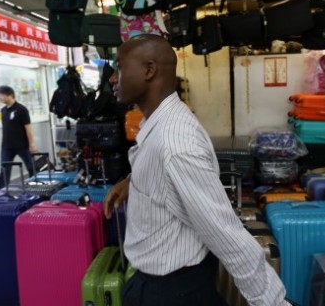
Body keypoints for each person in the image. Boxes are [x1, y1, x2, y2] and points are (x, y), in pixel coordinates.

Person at [103, 34, 290, 306]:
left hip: (171, 294)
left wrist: (272, 303)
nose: (112, 78)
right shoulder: (161, 126)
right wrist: (132, 181)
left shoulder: (175, 144)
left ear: (149, 70)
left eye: (119, 67)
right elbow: (165, 176)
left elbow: (226, 234)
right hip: (160, 284)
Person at [0, 86, 37, 190]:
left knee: (31, 167)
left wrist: (32, 144)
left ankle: (37, 187)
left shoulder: (21, 109)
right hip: (7, 146)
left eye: (2, 95)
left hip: (22, 145)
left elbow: (28, 128)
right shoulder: (3, 110)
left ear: (10, 95)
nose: (0, 98)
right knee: (5, 169)